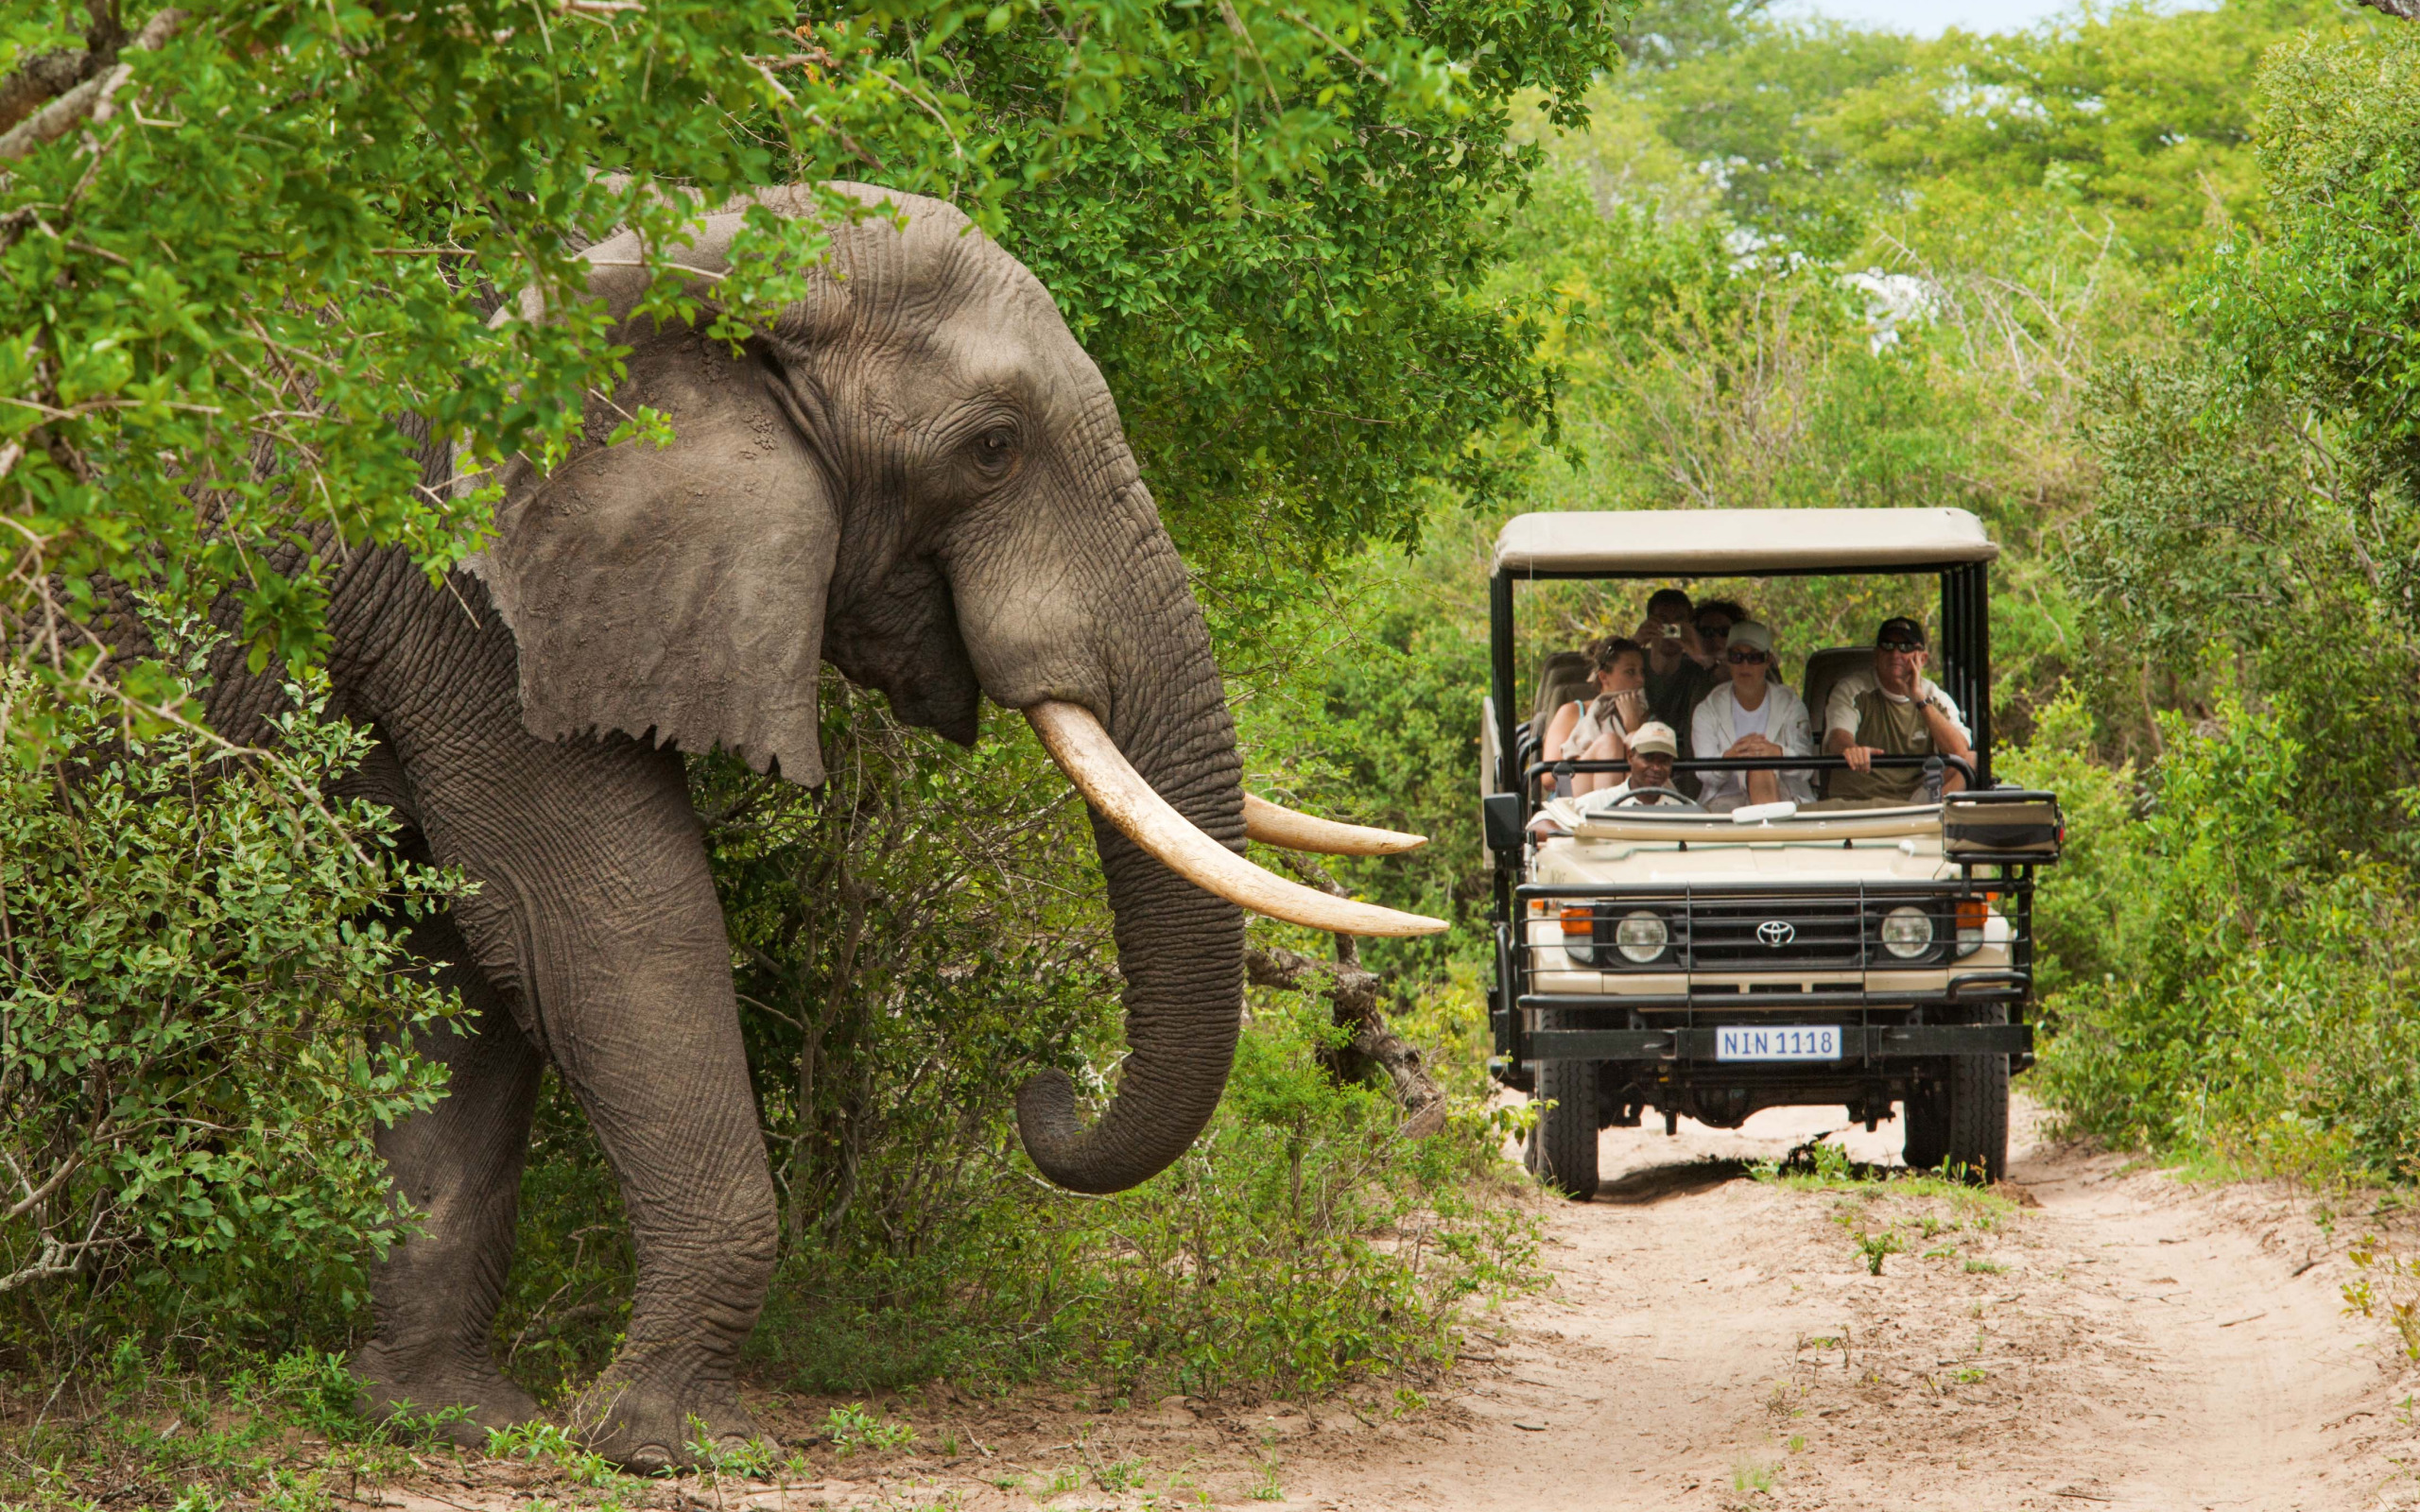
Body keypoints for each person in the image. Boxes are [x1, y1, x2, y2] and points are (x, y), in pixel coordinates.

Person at [1822, 615, 1973, 804]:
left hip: (1914, 805)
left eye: (1906, 647)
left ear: (1922, 658)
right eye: (1888, 645)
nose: (1895, 654)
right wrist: (1851, 750)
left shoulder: (1936, 698)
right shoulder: (1852, 690)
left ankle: (1935, 821)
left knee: (1973, 760)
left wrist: (1918, 698)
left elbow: (1959, 752)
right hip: (1858, 801)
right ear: (1877, 655)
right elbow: (1838, 736)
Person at [1690, 621, 1814, 811]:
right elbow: (1703, 773)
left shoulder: (1791, 704)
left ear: (1768, 660)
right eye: (1737, 656)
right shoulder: (1707, 709)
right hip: (1725, 801)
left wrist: (1777, 753)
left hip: (1786, 796)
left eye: (1754, 657)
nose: (1745, 665)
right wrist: (1729, 758)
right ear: (1727, 659)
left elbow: (1807, 767)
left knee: (1761, 767)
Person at [1539, 636, 1650, 799]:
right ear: (1604, 677)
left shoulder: (1647, 718)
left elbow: (1652, 774)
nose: (1640, 680)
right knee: (1609, 743)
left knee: (1633, 739)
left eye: (1642, 672)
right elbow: (1549, 779)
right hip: (1574, 797)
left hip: (1633, 798)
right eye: (1630, 672)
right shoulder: (1572, 711)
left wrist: (1634, 728)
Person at [1577, 721, 1688, 806]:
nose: (1656, 767)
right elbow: (1562, 816)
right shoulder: (1601, 802)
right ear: (1631, 757)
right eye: (1648, 758)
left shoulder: (1683, 809)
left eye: (1664, 761)